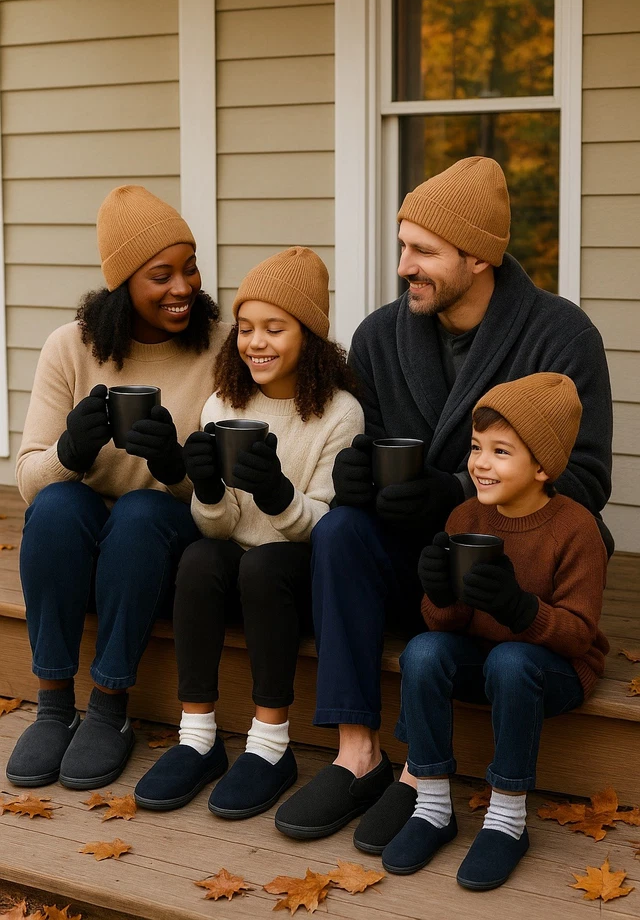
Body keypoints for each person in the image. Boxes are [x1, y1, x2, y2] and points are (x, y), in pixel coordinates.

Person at [275, 157, 613, 846]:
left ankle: (418, 778)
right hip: (416, 562)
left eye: (423, 251)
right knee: (340, 530)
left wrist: (458, 491)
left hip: (510, 572)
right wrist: (360, 480)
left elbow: (588, 477)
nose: (405, 266)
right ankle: (356, 750)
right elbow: (357, 445)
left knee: (467, 591)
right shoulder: (378, 336)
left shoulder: (560, 335)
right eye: (403, 247)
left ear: (478, 257)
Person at [6, 186, 230, 791]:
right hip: (82, 540)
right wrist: (69, 452)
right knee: (55, 504)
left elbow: (227, 491)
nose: (183, 287)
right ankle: (53, 704)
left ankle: (108, 707)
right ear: (122, 282)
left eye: (190, 269)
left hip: (164, 542)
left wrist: (175, 466)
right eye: (161, 274)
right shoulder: (69, 348)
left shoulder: (220, 348)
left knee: (139, 512)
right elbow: (29, 479)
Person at [133, 246, 364, 818]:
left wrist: (279, 494)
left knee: (262, 564)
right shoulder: (223, 404)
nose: (256, 342)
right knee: (200, 558)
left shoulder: (340, 414)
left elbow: (329, 532)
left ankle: (269, 744)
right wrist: (208, 491)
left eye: (274, 329)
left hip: (297, 578)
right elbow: (218, 525)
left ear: (307, 335)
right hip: (237, 567)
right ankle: (198, 736)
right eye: (244, 329)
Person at [382, 373, 608, 890]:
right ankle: (432, 806)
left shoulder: (575, 529)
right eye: (477, 447)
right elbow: (447, 625)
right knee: (422, 651)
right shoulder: (466, 516)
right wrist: (440, 596)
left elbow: (577, 636)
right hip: (485, 659)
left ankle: (507, 819)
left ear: (543, 467)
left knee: (512, 661)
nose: (480, 463)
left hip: (556, 668)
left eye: (501, 451)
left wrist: (519, 608)